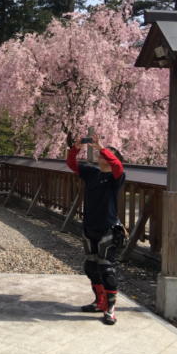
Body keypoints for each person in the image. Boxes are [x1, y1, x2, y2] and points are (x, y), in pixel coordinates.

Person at [66, 137, 125, 325]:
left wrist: (101, 147)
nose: (101, 156)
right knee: (91, 267)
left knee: (107, 269)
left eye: (106, 155)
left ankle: (110, 309)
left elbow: (118, 166)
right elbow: (72, 164)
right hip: (89, 225)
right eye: (101, 154)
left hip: (107, 227)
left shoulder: (116, 177)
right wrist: (75, 148)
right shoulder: (92, 173)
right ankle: (99, 302)